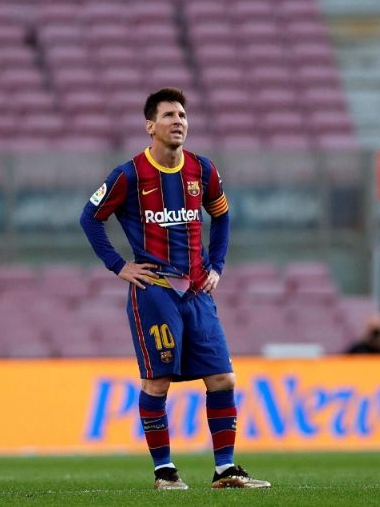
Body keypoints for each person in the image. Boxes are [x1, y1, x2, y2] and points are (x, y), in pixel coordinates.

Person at [79, 87, 269, 490]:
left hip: (198, 292)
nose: (178, 121)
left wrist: (216, 264)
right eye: (168, 116)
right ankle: (165, 472)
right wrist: (119, 266)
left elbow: (223, 216)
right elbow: (90, 218)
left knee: (223, 379)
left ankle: (225, 470)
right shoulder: (129, 174)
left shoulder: (203, 170)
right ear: (150, 126)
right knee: (157, 383)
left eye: (182, 114)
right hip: (155, 291)